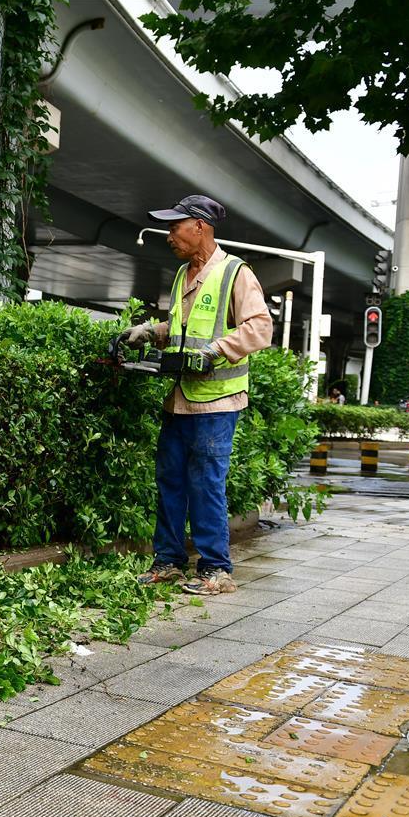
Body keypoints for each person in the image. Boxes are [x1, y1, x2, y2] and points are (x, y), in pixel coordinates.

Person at [120, 195, 272, 595]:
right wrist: (151, 332)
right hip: (180, 399)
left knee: (205, 484)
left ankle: (216, 571)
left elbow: (259, 328)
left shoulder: (235, 272)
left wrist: (215, 351)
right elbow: (183, 329)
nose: (169, 235)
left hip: (216, 402)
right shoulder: (183, 274)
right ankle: (168, 562)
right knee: (170, 481)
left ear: (200, 227)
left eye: (175, 227)